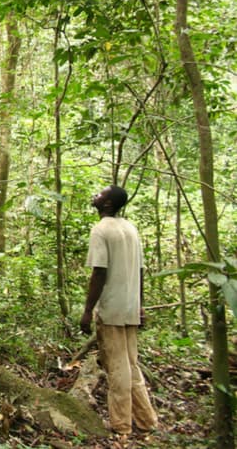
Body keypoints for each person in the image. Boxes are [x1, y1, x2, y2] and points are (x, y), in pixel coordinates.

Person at [80, 185, 158, 436]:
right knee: (131, 365)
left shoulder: (101, 230)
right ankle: (147, 421)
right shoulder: (130, 228)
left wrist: (87, 310)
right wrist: (139, 304)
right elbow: (140, 272)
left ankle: (121, 425)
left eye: (101, 194)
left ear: (108, 205)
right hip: (130, 307)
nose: (96, 195)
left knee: (117, 368)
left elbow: (99, 272)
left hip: (112, 309)